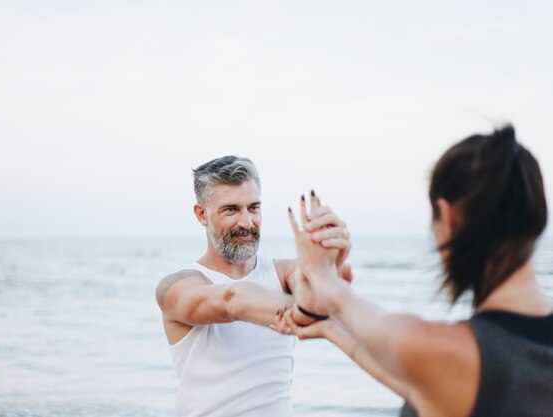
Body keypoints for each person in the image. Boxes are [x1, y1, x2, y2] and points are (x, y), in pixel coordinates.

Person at [275, 125, 553, 417]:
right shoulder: (464, 366)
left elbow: (392, 333)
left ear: (448, 217)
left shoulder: (454, 352)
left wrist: (318, 272)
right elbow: (418, 384)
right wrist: (329, 325)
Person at [155, 155, 351, 417]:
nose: (247, 222)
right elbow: (230, 301)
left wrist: (329, 260)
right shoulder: (179, 286)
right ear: (202, 214)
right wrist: (301, 309)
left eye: (254, 207)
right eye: (231, 209)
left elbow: (313, 283)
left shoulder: (282, 274)